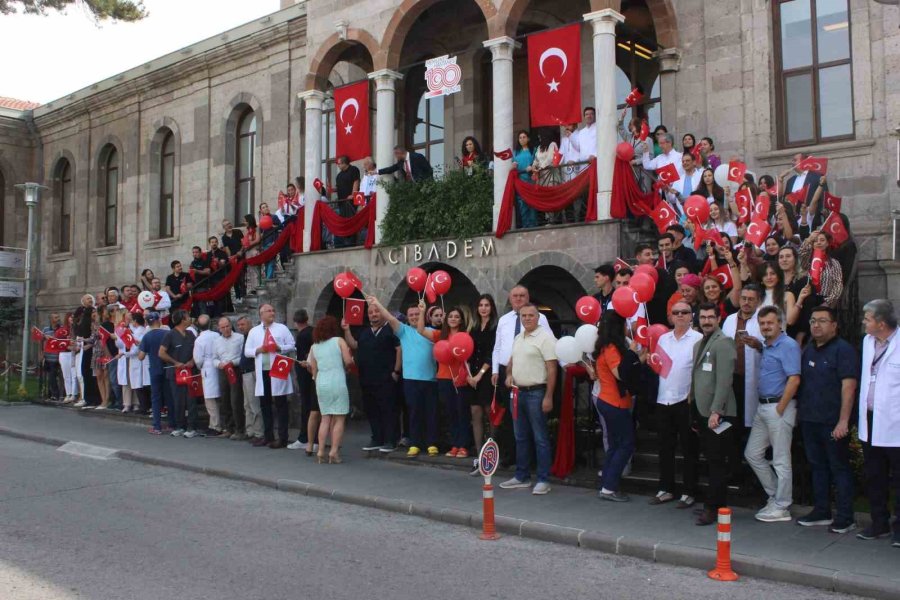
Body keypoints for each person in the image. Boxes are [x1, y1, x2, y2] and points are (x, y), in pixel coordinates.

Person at [796, 305, 858, 532]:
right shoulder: (809, 349)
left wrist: (843, 421)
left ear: (834, 325)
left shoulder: (844, 350)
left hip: (833, 422)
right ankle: (822, 510)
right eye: (813, 321)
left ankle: (846, 516)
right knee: (817, 466)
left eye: (822, 321)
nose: (816, 325)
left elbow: (849, 387)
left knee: (839, 468)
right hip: (810, 419)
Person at [744, 305, 801, 523]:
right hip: (764, 407)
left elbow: (794, 379)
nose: (766, 326)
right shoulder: (768, 345)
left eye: (770, 322)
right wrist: (759, 346)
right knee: (752, 453)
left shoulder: (788, 345)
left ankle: (782, 506)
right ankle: (776, 495)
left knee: (781, 459)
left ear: (780, 323)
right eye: (762, 323)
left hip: (779, 407)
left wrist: (781, 408)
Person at [368, 296, 439, 457]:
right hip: (410, 380)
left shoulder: (431, 332)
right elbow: (389, 317)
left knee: (431, 413)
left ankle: (432, 443)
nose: (414, 317)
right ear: (407, 317)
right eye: (411, 315)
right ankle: (414, 443)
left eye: (417, 314)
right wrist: (377, 303)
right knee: (413, 413)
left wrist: (424, 310)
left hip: (430, 379)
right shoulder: (403, 331)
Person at [498, 303, 558, 495]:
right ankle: (522, 476)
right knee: (520, 437)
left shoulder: (546, 338)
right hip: (518, 392)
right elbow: (511, 361)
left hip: (536, 393)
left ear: (538, 317)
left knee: (540, 438)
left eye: (531, 315)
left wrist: (548, 396)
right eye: (523, 316)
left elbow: (552, 369)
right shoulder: (519, 337)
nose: (527, 319)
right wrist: (509, 375)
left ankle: (543, 479)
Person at [650, 301, 702, 508]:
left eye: (684, 312)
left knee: (689, 449)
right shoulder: (663, 338)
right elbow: (658, 366)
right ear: (670, 316)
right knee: (665, 448)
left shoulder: (698, 339)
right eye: (676, 312)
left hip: (685, 400)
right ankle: (666, 488)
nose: (680, 315)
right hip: (663, 399)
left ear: (691, 316)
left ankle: (689, 492)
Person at [856, 299, 900, 546]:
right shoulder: (867, 342)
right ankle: (879, 522)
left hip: (896, 422)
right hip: (871, 420)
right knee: (875, 475)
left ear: (881, 323)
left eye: (868, 319)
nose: (864, 322)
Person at [491, 285, 550, 466]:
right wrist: (495, 371)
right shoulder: (504, 320)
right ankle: (511, 456)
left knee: (533, 420)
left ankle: (532, 461)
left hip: (530, 372)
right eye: (515, 296)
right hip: (506, 372)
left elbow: (550, 344)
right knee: (510, 417)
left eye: (522, 295)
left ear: (528, 297)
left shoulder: (540, 318)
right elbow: (498, 347)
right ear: (510, 299)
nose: (518, 299)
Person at [690, 303, 738, 525]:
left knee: (716, 462)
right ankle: (716, 504)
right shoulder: (699, 344)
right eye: (703, 317)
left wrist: (716, 411)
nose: (707, 321)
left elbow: (725, 380)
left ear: (719, 319)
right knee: (710, 460)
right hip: (702, 411)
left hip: (718, 413)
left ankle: (713, 508)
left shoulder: (724, 342)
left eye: (711, 317)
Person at [416, 302, 473, 457]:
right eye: (451, 316)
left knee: (462, 412)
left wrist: (465, 375)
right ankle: (455, 444)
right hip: (444, 378)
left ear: (461, 320)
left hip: (460, 379)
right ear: (446, 319)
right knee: (450, 412)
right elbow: (420, 330)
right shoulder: (440, 335)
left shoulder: (465, 336)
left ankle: (464, 445)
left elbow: (468, 358)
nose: (453, 319)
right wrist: (422, 312)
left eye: (457, 317)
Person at [591, 310, 637, 502]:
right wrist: (632, 352)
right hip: (614, 402)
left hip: (609, 400)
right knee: (626, 444)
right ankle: (609, 487)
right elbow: (620, 374)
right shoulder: (611, 348)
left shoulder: (605, 346)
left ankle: (606, 483)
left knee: (615, 444)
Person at [343, 303, 401, 453]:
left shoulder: (390, 330)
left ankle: (391, 440)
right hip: (367, 378)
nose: (374, 314)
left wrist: (396, 371)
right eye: (371, 312)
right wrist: (347, 330)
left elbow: (399, 349)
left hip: (386, 378)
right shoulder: (364, 332)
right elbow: (354, 345)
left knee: (388, 409)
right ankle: (377, 438)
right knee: (372, 409)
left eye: (377, 311)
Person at [721, 283, 764, 475]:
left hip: (753, 380)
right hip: (731, 380)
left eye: (751, 299)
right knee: (732, 425)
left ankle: (752, 473)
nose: (746, 302)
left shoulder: (763, 319)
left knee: (752, 427)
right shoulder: (729, 320)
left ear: (758, 301)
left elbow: (774, 345)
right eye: (744, 298)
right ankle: (734, 469)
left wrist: (759, 345)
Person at [244, 304, 296, 449]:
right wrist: (259, 350)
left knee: (281, 404)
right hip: (262, 371)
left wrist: (280, 348)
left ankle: (283, 438)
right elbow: (247, 351)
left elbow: (292, 345)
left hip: (277, 368)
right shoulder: (254, 331)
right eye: (269, 311)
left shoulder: (282, 328)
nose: (272, 313)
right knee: (265, 404)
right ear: (261, 314)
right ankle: (268, 436)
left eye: (273, 310)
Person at [308, 316, 353, 464]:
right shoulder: (339, 341)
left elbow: (313, 369)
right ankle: (333, 451)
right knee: (339, 418)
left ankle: (320, 451)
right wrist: (349, 364)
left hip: (321, 382)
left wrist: (317, 381)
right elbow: (348, 361)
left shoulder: (314, 347)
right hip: (337, 380)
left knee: (325, 418)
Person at [467, 294, 498, 472]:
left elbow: (492, 353)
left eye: (487, 305)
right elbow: (468, 351)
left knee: (489, 412)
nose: (483, 308)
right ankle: (479, 455)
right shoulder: (474, 327)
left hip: (488, 375)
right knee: (475, 413)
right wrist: (469, 374)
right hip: (473, 376)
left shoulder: (496, 327)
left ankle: (491, 453)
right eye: (481, 305)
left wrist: (480, 374)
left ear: (491, 308)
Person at [158, 309, 199, 437]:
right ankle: (179, 426)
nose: (190, 318)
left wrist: (192, 361)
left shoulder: (191, 334)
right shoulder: (170, 335)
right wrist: (175, 362)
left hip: (190, 372)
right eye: (188, 316)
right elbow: (161, 353)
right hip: (175, 373)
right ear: (182, 319)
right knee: (178, 400)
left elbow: (197, 350)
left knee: (191, 400)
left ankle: (191, 427)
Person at [288, 310, 320, 454]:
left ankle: (305, 438)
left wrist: (304, 363)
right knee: (314, 407)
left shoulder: (302, 336)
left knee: (307, 406)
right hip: (314, 374)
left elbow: (304, 357)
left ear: (295, 322)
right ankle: (315, 439)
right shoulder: (313, 332)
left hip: (305, 375)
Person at [137, 312, 172, 434]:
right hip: (167, 367)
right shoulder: (167, 333)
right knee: (169, 396)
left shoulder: (147, 336)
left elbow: (140, 356)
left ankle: (157, 426)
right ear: (159, 320)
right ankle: (172, 424)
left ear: (148, 322)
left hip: (154, 368)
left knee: (156, 397)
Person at [214, 316, 245, 440]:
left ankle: (239, 429)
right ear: (219, 328)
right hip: (223, 371)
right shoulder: (216, 341)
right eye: (223, 327)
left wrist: (233, 362)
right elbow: (214, 358)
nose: (226, 329)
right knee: (225, 399)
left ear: (231, 325)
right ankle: (228, 428)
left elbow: (243, 356)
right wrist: (219, 364)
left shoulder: (239, 338)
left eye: (227, 326)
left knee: (236, 400)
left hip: (235, 369)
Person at [192, 315, 224, 436]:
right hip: (218, 366)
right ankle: (218, 424)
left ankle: (215, 425)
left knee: (210, 399)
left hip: (207, 368)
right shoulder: (217, 335)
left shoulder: (199, 340)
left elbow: (198, 359)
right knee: (218, 397)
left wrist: (200, 366)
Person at [237, 316, 263, 443]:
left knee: (254, 403)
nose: (240, 327)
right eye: (239, 325)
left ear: (250, 324)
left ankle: (258, 433)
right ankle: (250, 431)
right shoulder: (245, 337)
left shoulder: (253, 336)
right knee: (247, 404)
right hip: (245, 372)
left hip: (252, 371)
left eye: (243, 324)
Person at [532, 127, 562, 225]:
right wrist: (534, 166)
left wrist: (540, 167)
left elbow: (550, 158)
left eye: (540, 135)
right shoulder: (539, 148)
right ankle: (548, 218)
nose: (539, 137)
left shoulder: (552, 144)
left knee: (552, 196)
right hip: (542, 177)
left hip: (551, 175)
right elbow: (536, 160)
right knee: (545, 198)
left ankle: (554, 219)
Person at [333, 155, 361, 248]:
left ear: (344, 163)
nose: (338, 165)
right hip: (342, 202)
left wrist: (353, 194)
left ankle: (352, 242)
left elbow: (356, 182)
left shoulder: (353, 170)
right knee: (343, 223)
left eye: (339, 163)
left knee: (352, 221)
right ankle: (343, 243)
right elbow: (339, 187)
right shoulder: (339, 175)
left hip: (351, 202)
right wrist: (332, 190)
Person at [511, 130, 537, 229]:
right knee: (522, 203)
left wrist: (532, 166)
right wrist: (513, 166)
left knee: (532, 203)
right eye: (520, 138)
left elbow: (536, 162)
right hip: (520, 181)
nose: (522, 139)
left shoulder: (533, 150)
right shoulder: (515, 153)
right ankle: (525, 225)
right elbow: (513, 168)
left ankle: (533, 225)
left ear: (528, 138)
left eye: (524, 137)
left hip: (531, 180)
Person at [42, 313, 63, 402]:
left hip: (59, 355)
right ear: (51, 319)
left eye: (58, 317)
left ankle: (59, 394)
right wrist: (41, 354)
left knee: (59, 376)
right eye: (55, 317)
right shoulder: (46, 330)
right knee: (51, 376)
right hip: (49, 357)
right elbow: (41, 342)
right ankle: (53, 394)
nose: (58, 319)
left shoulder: (62, 329)